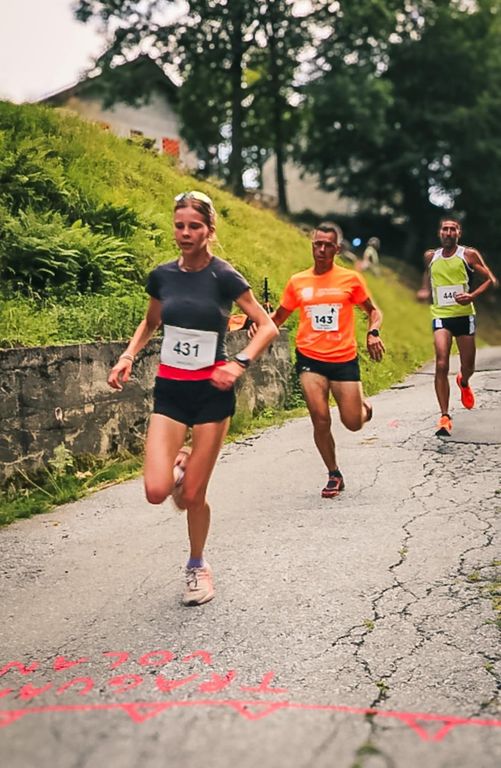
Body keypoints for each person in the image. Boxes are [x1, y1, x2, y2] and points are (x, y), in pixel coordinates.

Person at [108, 191, 278, 606]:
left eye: (194, 226)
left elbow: (267, 326)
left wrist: (238, 363)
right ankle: (183, 460)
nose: (185, 233)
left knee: (190, 498)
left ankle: (197, 566)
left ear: (209, 230)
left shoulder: (225, 277)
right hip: (170, 390)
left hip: (211, 394)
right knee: (156, 490)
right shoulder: (162, 276)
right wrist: (128, 355)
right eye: (179, 225)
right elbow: (150, 322)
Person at [263, 221, 385, 499]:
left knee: (353, 423)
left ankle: (363, 408)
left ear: (337, 249)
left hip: (343, 359)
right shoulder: (298, 282)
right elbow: (278, 317)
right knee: (320, 418)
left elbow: (373, 311)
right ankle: (333, 473)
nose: (321, 249)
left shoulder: (350, 280)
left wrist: (373, 332)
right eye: (317, 244)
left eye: (327, 245)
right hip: (310, 358)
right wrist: (258, 323)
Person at [421, 217, 495, 437]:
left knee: (468, 366)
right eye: (445, 229)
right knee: (441, 363)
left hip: (464, 317)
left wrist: (471, 296)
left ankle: (464, 381)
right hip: (441, 316)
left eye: (453, 229)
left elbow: (489, 279)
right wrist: (425, 289)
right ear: (440, 232)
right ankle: (444, 416)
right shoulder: (431, 256)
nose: (448, 232)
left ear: (458, 233)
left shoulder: (468, 254)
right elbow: (428, 274)